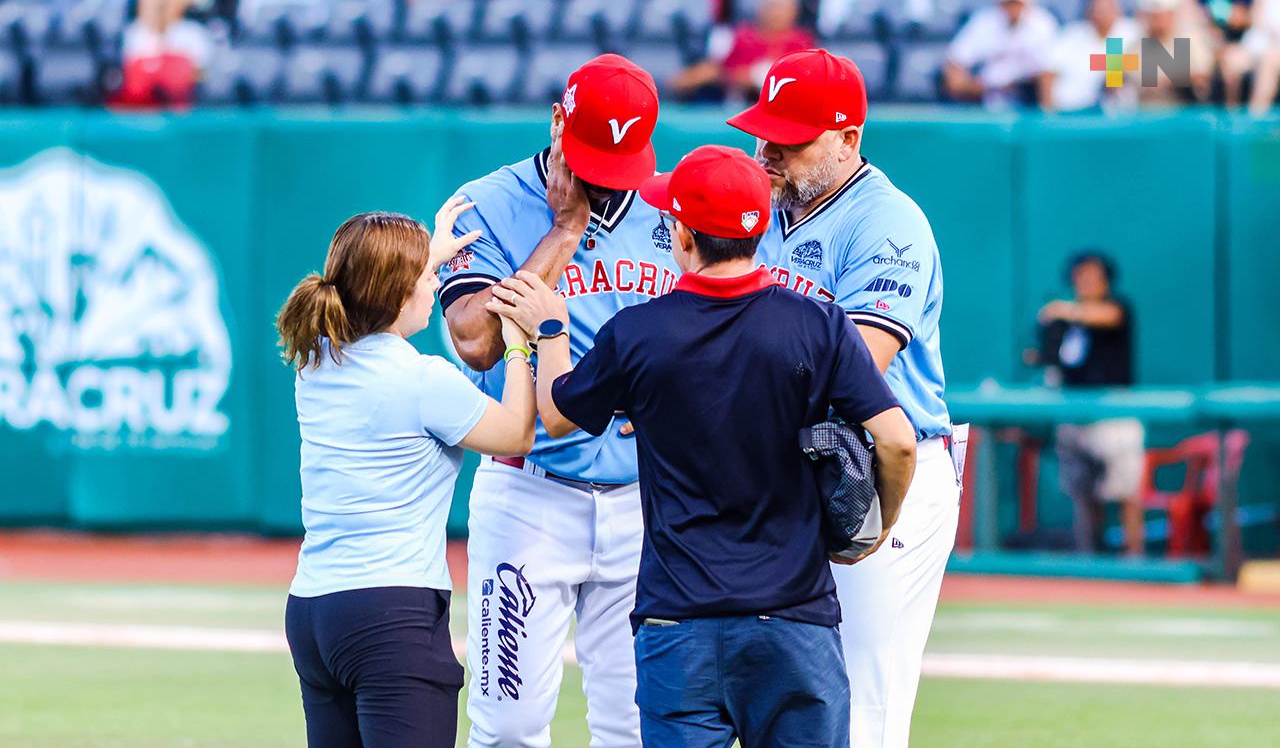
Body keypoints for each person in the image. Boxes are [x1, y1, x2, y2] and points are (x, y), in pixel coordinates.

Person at [486, 145, 918, 748]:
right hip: (795, 617)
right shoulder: (820, 324)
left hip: (680, 622)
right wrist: (866, 529)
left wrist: (552, 327)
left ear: (683, 235)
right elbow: (897, 440)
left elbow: (556, 416)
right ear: (759, 227)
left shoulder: (639, 332)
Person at [437, 54, 679, 747]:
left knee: (635, 728)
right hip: (531, 493)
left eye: (619, 163)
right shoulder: (488, 201)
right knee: (507, 727)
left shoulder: (668, 211)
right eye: (594, 158)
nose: (604, 182)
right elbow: (476, 340)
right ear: (556, 122)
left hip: (643, 497)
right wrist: (563, 234)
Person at [729, 48, 959, 748]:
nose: (769, 151)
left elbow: (856, 366)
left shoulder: (888, 221)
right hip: (787, 469)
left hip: (883, 473)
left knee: (861, 702)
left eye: (790, 140)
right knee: (775, 692)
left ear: (848, 139)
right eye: (763, 133)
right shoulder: (762, 209)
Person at [275, 202, 539, 748]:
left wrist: (426, 251)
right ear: (398, 294)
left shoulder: (316, 359)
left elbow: (364, 286)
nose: (437, 280)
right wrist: (518, 340)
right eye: (427, 275)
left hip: (313, 612)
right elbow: (517, 434)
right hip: (390, 616)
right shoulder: (422, 380)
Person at [1038, 252, 1145, 557]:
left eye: (1092, 276)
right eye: (1080, 276)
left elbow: (1107, 316)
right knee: (1082, 493)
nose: (1085, 282)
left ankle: (1133, 560)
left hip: (1113, 412)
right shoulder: (1066, 323)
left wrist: (1064, 310)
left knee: (1125, 489)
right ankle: (1089, 561)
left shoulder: (1116, 307)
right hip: (1074, 412)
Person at [672, 0, 814, 103]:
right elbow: (716, 70)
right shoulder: (740, 37)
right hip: (741, 105)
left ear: (794, 10)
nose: (775, 13)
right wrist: (743, 77)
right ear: (760, 8)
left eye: (781, 7)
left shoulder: (803, 43)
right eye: (771, 6)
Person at [944, 0, 1059, 108]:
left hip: (1027, 101)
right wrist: (971, 88)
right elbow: (956, 62)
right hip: (986, 100)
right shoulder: (984, 21)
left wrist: (1046, 112)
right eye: (1008, 2)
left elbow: (1048, 74)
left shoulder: (1043, 24)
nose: (1013, 8)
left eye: (1018, 2)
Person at [1039, 0, 1140, 113]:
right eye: (1098, 8)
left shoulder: (1131, 32)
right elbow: (1048, 72)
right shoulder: (1073, 34)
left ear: (1118, 10)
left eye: (1108, 8)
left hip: (1114, 113)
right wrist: (1049, 112)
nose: (1102, 13)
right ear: (1089, 11)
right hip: (1069, 110)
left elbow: (1119, 78)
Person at [1132, 0, 1216, 106]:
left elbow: (1203, 78)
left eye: (1163, 15)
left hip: (1185, 117)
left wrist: (1171, 79)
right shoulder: (1133, 43)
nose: (1159, 21)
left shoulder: (1189, 38)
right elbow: (1114, 84)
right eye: (1154, 16)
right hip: (1145, 118)